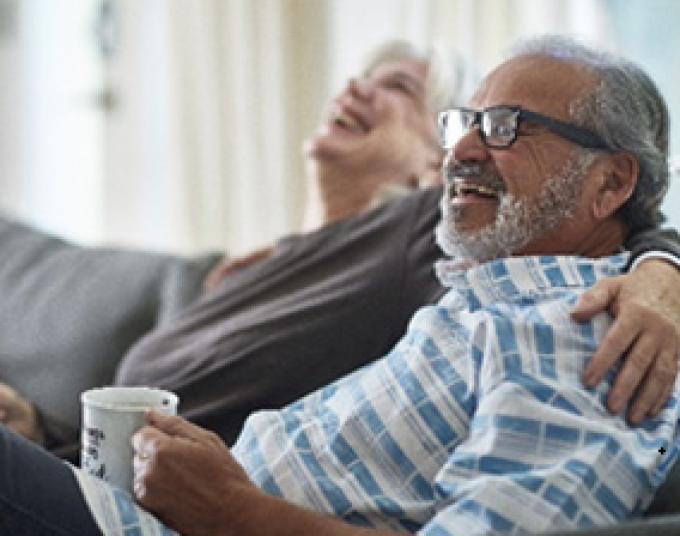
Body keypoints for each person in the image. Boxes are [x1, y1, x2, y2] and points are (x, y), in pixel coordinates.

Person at [1, 34, 680, 536]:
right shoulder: (475, 295)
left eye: (507, 128)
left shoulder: (592, 336)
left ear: (612, 182)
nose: (466, 149)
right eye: (464, 124)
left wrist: (660, 270)